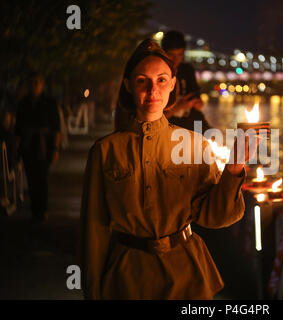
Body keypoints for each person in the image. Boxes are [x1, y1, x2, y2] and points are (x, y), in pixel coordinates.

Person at [80, 40, 260, 299]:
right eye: (143, 80)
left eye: (162, 80)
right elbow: (93, 229)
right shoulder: (105, 151)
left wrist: (234, 168)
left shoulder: (195, 144)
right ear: (128, 85)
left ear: (174, 84)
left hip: (186, 275)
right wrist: (93, 289)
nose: (153, 90)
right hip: (128, 278)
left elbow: (214, 216)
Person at [15, 72, 61, 222]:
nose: (34, 85)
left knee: (42, 178)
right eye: (31, 82)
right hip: (28, 146)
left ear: (41, 84)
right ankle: (35, 209)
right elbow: (18, 129)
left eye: (37, 82)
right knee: (31, 178)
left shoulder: (49, 103)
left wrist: (55, 149)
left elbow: (56, 129)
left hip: (44, 147)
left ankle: (42, 209)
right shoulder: (23, 104)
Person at [161, 30, 211, 134]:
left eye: (179, 54)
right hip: (169, 126)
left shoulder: (187, 70)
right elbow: (155, 119)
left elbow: (197, 98)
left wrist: (198, 103)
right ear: (163, 52)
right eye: (171, 55)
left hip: (192, 121)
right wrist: (179, 106)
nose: (176, 59)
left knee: (212, 141)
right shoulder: (159, 74)